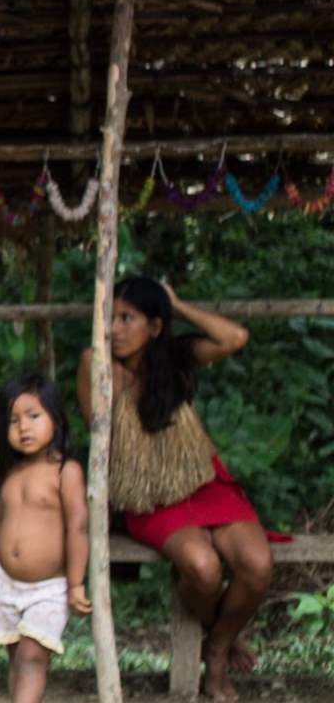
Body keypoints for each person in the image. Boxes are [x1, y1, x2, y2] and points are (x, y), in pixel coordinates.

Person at [78, 277, 273, 702]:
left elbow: (235, 337)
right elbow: (94, 420)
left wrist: (177, 304)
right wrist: (108, 363)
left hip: (201, 482)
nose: (115, 328)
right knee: (203, 569)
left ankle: (217, 642)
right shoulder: (96, 363)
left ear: (155, 326)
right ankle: (221, 650)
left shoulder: (174, 359)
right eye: (109, 318)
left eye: (127, 318)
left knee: (258, 566)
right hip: (146, 497)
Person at [0, 373, 91, 702]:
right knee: (16, 657)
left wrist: (75, 583)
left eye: (34, 416)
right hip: (8, 584)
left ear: (56, 420)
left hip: (48, 588)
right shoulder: (11, 472)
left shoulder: (66, 471)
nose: (23, 427)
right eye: (14, 420)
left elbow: (77, 527)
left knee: (32, 656)